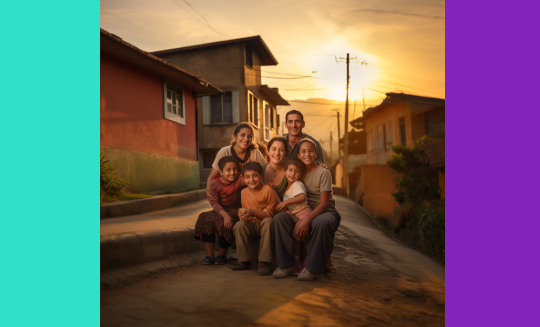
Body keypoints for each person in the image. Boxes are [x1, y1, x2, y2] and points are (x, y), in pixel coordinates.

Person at [273, 139, 341, 281]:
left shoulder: (323, 172)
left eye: (311, 151)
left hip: (325, 211)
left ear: (316, 154)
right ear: (298, 154)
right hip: (300, 211)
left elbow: (324, 204)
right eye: (303, 151)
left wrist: (307, 220)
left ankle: (312, 268)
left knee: (321, 222)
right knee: (279, 218)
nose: (307, 154)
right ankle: (287, 265)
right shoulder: (297, 171)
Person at [231, 162, 280, 276]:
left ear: (261, 176)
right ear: (243, 179)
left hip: (265, 225)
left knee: (268, 222)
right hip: (251, 225)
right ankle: (244, 260)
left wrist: (253, 212)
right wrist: (243, 216)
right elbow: (245, 211)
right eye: (247, 177)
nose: (251, 179)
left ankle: (264, 261)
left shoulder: (268, 190)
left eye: (255, 175)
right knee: (239, 225)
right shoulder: (243, 192)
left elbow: (269, 214)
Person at [194, 156, 245, 265]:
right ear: (221, 172)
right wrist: (225, 215)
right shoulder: (215, 184)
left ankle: (222, 255)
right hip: (221, 210)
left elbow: (251, 182)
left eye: (235, 169)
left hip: (236, 210)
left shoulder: (240, 179)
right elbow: (214, 203)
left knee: (225, 222)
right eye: (228, 170)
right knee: (204, 217)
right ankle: (209, 255)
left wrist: (265, 184)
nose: (232, 172)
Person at [206, 122, 266, 201]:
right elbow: (212, 176)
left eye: (250, 136)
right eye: (242, 135)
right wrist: (208, 190)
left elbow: (265, 173)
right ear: (234, 136)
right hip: (228, 197)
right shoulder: (224, 152)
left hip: (251, 196)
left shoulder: (255, 152)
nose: (246, 139)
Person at [275, 158, 312, 275]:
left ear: (300, 175)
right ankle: (296, 262)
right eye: (290, 170)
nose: (293, 173)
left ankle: (308, 260)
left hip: (304, 214)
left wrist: (285, 203)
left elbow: (302, 197)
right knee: (297, 238)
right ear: (285, 171)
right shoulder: (288, 188)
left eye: (296, 171)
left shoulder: (297, 184)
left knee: (303, 237)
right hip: (297, 215)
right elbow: (292, 205)